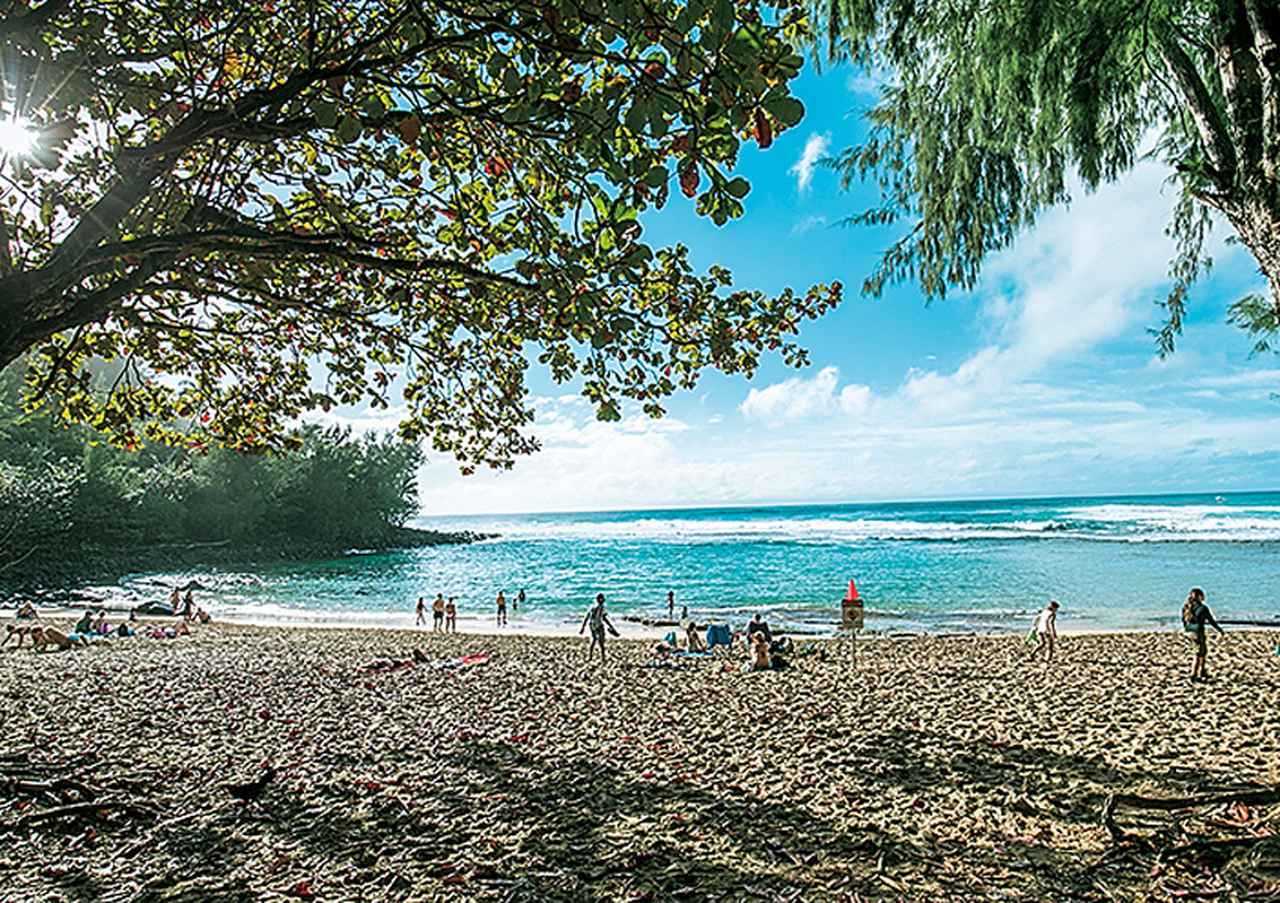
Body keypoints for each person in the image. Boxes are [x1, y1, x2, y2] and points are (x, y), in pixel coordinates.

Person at [1182, 587, 1224, 682]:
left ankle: (1202, 672)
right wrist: (1219, 630)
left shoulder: (1186, 606)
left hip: (1189, 632)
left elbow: (1183, 620)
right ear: (1200, 596)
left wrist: (1186, 629)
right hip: (1198, 633)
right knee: (1199, 654)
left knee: (1202, 652)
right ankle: (1194, 675)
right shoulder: (1203, 608)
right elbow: (1211, 620)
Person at [579, 593, 619, 663]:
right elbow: (602, 618)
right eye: (602, 599)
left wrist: (583, 627)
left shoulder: (594, 607)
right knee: (600, 643)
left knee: (594, 641)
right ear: (599, 599)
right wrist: (611, 627)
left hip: (592, 625)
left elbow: (588, 617)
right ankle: (602, 658)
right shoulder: (599, 607)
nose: (604, 600)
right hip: (597, 625)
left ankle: (591, 657)